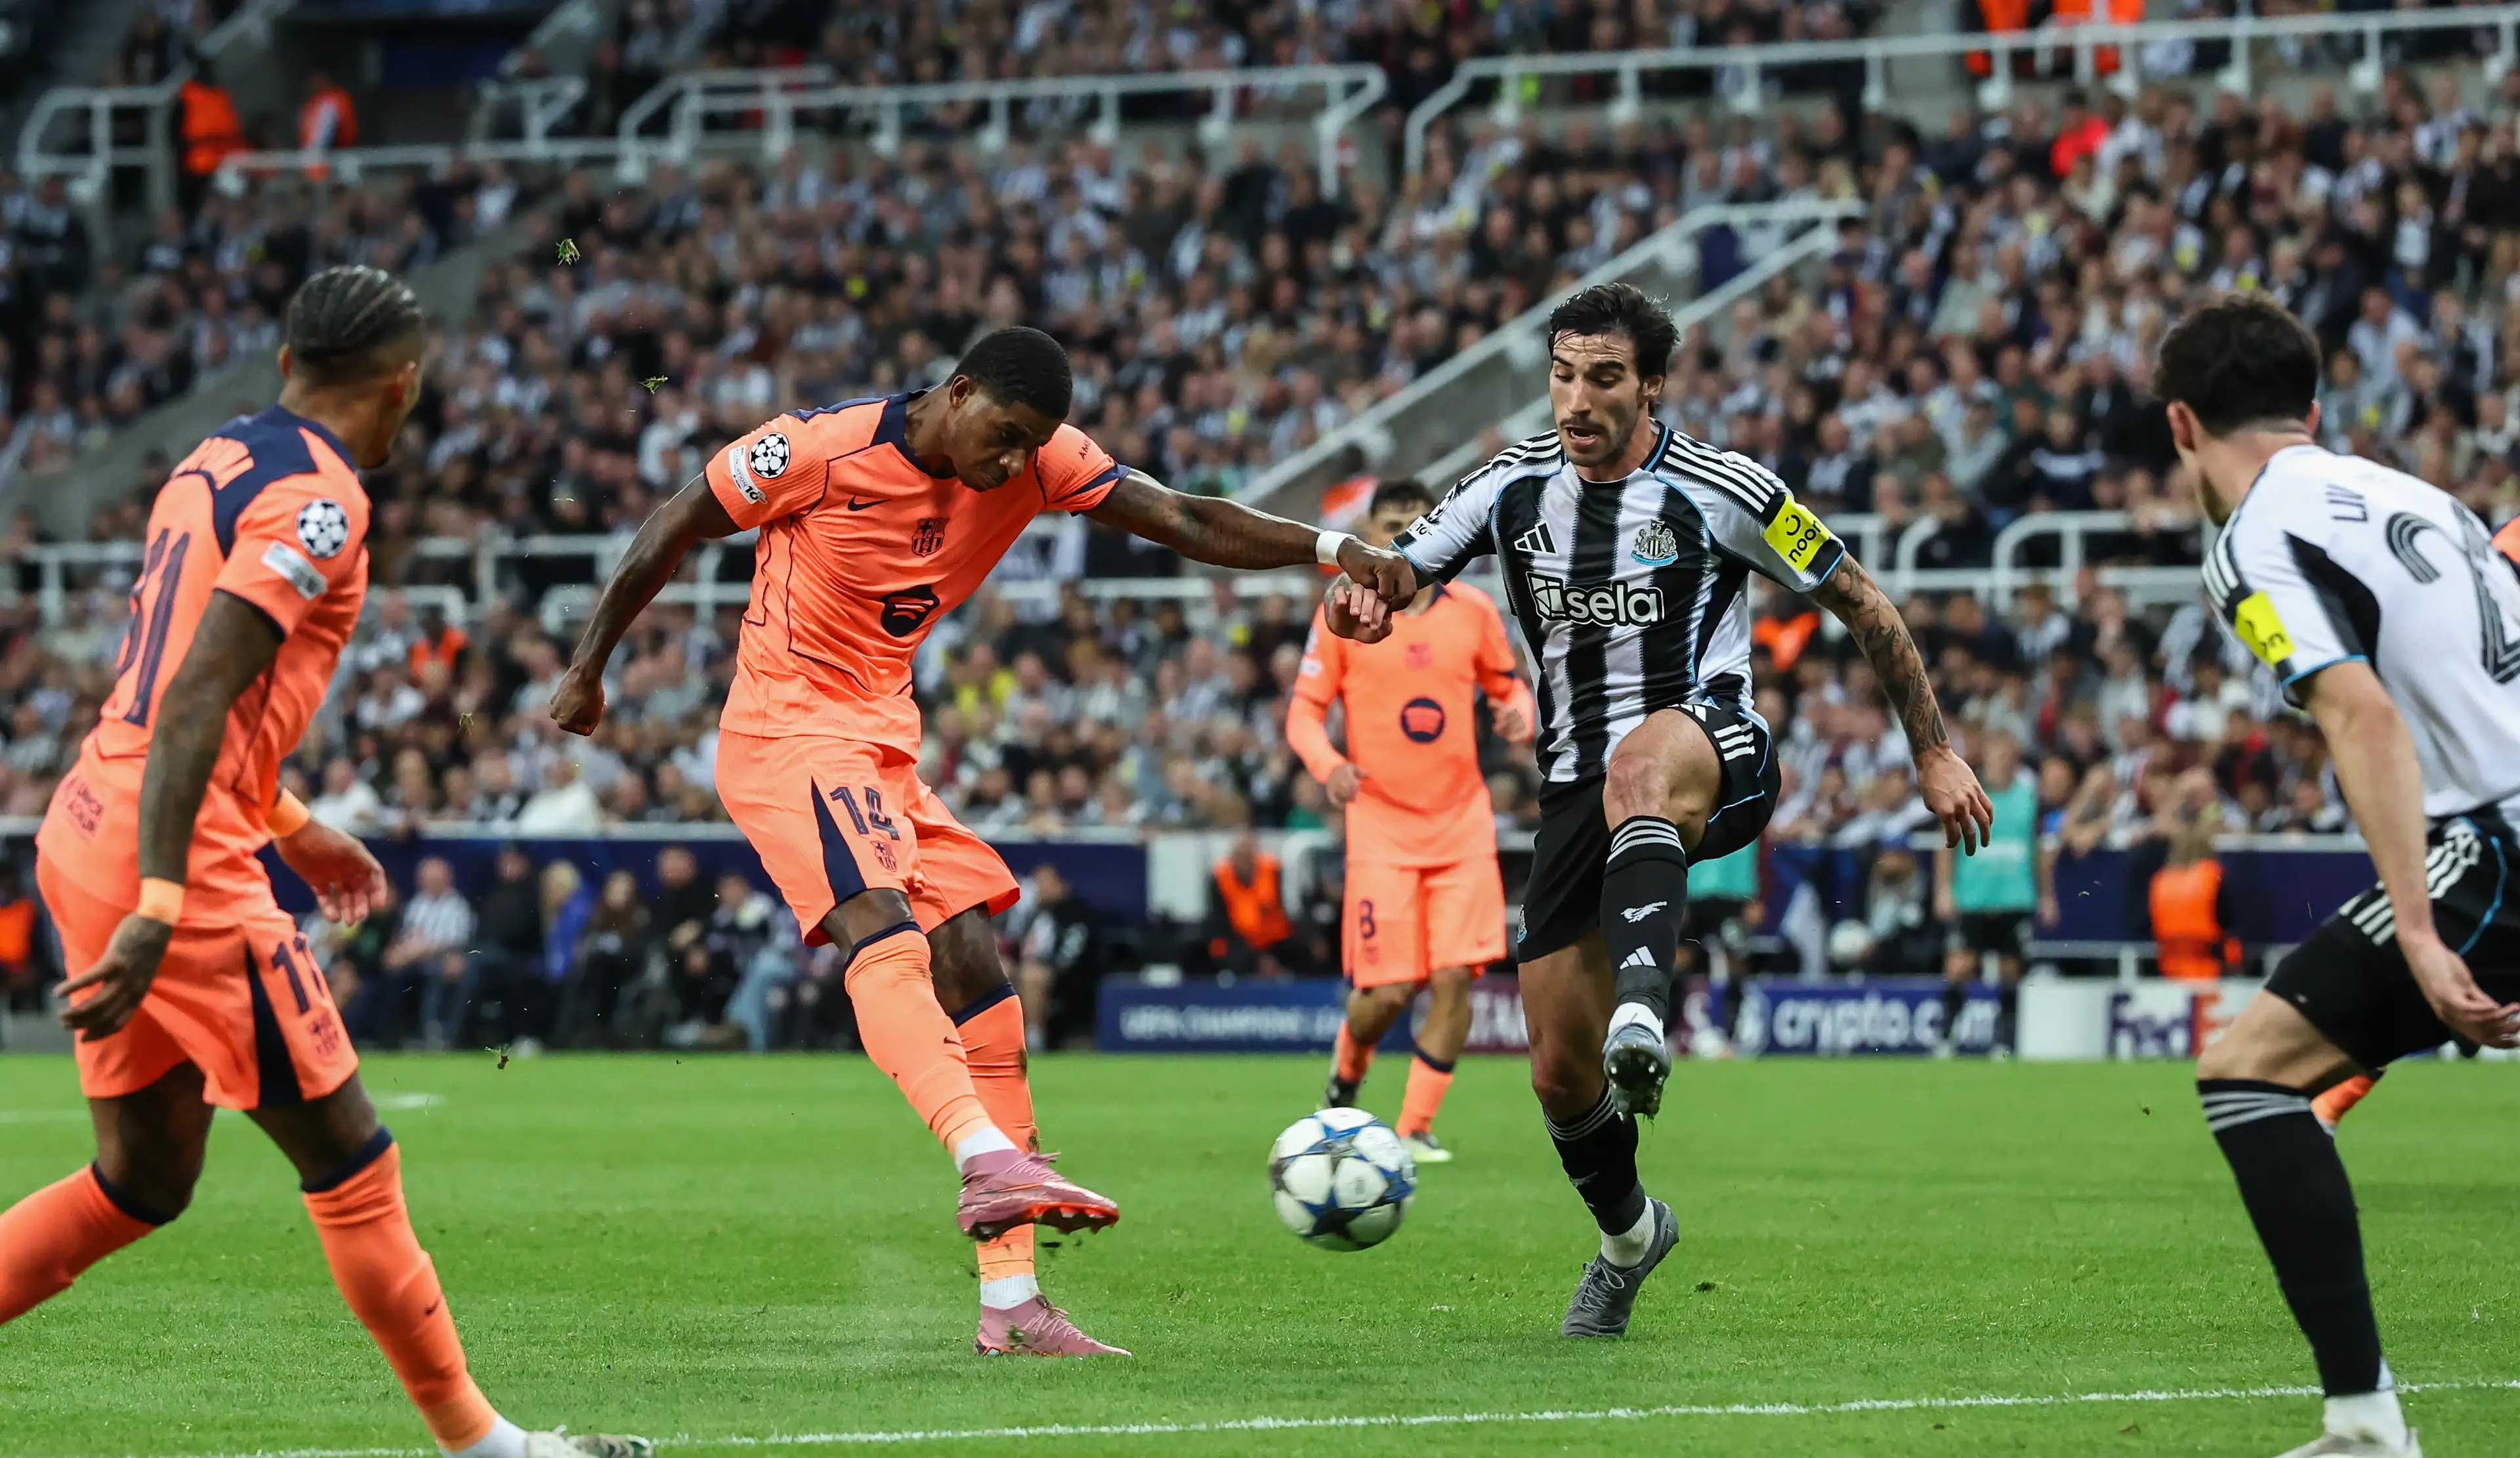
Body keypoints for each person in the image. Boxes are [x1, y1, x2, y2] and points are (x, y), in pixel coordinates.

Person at [548, 324, 1415, 1356]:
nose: (1016, 463)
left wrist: (1331, 547)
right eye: (1004, 436)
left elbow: (1182, 518)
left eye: (1032, 446)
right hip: (787, 728)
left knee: (975, 967)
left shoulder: (1042, 457)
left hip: (884, 742)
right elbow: (674, 523)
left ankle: (1010, 1303)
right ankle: (983, 1154)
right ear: (956, 394)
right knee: (884, 929)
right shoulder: (817, 450)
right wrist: (589, 667)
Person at [0, 266, 645, 1457]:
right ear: (401, 384)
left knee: (140, 1180)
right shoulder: (322, 499)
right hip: (173, 863)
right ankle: (489, 1449)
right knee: (353, 1159)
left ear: (289, 360)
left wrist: (289, 821)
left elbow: (180, 692)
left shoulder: (214, 457)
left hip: (85, 818)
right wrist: (164, 897)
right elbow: (199, 690)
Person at [1326, 282, 1988, 1339]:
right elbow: (1398, 574)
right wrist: (1355, 598)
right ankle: (1632, 1236)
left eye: (1603, 379)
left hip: (1708, 745)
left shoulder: (1721, 488)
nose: (1576, 400)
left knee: (1641, 767)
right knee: (1555, 1070)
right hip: (1575, 790)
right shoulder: (1510, 488)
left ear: (1652, 387)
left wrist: (1934, 750)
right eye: (1562, 375)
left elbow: (1862, 599)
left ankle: (1648, 1010)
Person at [2159, 293, 2520, 1458]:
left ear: (2181, 425)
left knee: (2248, 1074)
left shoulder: (2254, 536)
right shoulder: (2428, 499)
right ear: (2311, 411)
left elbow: (2361, 715)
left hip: (2499, 840)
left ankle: (2367, 1426)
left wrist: (2419, 929)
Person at [1287, 477, 1536, 1163]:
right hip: (1381, 830)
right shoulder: (1344, 614)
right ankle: (1344, 1082)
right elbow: (1303, 714)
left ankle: (1414, 1127)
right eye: (1388, 523)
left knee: (1458, 977)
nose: (1400, 535)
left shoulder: (1475, 611)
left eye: (1413, 523)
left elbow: (1508, 683)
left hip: (1461, 824)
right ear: (1369, 529)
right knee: (1388, 991)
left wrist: (1520, 712)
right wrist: (1328, 765)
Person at [1933, 729, 2039, 1056]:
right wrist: (1943, 890)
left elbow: (2037, 848)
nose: (2002, 764)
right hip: (1973, 896)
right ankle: (1946, 1039)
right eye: (1997, 756)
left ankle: (2005, 1044)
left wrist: (2046, 894)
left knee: (2010, 970)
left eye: (2008, 757)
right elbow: (1945, 845)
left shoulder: (2027, 798)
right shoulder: (1965, 794)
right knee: (1960, 966)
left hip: (2014, 896)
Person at [1012, 863, 1103, 1050]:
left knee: (1032, 976)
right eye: (1037, 884)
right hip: (1028, 968)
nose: (1040, 889)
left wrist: (1053, 969)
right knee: (1000, 970)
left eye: (1045, 883)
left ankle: (1034, 1038)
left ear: (1060, 884)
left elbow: (1074, 948)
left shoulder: (1075, 911)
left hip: (1065, 976)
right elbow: (1017, 942)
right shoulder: (1033, 912)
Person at [1204, 832, 1295, 977]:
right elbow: (1218, 922)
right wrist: (1256, 957)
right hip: (1239, 941)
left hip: (1275, 939)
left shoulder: (1273, 871)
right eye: (1240, 856)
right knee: (1220, 950)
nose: (1245, 861)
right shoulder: (1220, 880)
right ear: (1232, 857)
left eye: (1249, 855)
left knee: (1305, 949)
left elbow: (1287, 909)